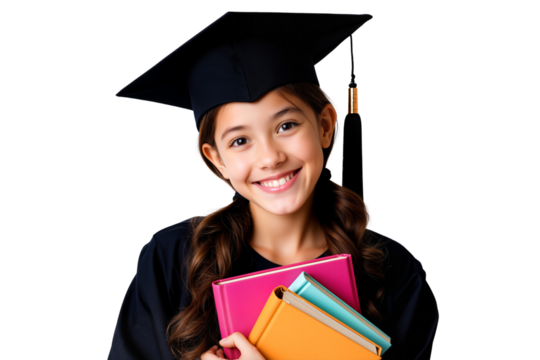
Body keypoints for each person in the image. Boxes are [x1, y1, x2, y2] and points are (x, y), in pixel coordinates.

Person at [109, 10, 439, 360]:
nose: (270, 158)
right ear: (216, 158)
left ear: (325, 125)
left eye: (287, 126)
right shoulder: (172, 261)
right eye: (239, 141)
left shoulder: (392, 270)